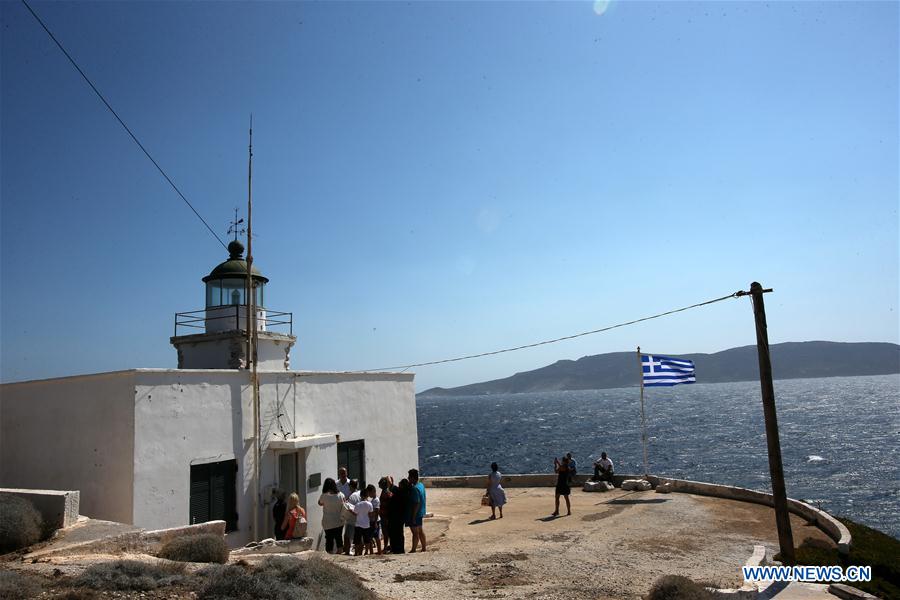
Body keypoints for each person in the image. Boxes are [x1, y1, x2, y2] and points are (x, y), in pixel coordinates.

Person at [318, 478, 345, 553]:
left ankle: (330, 559)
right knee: (339, 539)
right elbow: (344, 503)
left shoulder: (324, 496)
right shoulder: (341, 495)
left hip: (328, 522)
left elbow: (320, 503)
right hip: (339, 521)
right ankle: (339, 556)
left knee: (329, 540)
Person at [351, 485, 376, 556]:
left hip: (358, 524)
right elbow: (370, 514)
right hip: (366, 524)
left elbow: (355, 514)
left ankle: (356, 553)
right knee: (367, 540)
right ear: (367, 495)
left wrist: (350, 510)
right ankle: (366, 552)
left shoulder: (358, 504)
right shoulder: (369, 504)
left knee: (357, 540)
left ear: (361, 495)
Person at [408, 468, 427, 552]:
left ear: (412, 478)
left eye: (409, 477)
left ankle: (413, 549)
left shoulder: (414, 488)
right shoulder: (421, 485)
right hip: (421, 511)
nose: (408, 478)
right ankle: (423, 548)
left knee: (415, 533)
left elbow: (417, 503)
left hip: (416, 513)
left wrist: (413, 516)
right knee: (420, 531)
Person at [388, 478, 409, 554]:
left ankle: (396, 549)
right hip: (400, 516)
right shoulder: (403, 492)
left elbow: (392, 487)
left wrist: (390, 482)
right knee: (399, 533)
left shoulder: (399, 492)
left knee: (396, 533)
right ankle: (398, 549)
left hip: (396, 516)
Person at [343, 479, 360, 555]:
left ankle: (347, 552)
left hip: (352, 520)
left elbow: (349, 508)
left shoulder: (352, 496)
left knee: (347, 537)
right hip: (360, 519)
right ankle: (358, 552)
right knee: (358, 537)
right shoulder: (360, 493)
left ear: (350, 486)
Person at [377, 476, 392, 553]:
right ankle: (387, 546)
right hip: (384, 515)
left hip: (385, 516)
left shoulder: (386, 492)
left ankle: (386, 547)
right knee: (385, 532)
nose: (378, 484)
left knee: (386, 532)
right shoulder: (385, 491)